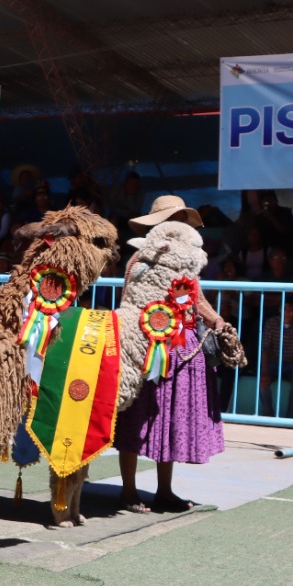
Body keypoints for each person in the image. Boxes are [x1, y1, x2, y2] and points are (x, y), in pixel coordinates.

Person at [116, 196, 227, 513]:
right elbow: (130, 301)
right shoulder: (140, 260)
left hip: (179, 348)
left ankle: (164, 490)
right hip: (145, 346)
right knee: (135, 416)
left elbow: (195, 299)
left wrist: (217, 323)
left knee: (169, 417)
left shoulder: (186, 262)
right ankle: (129, 490)